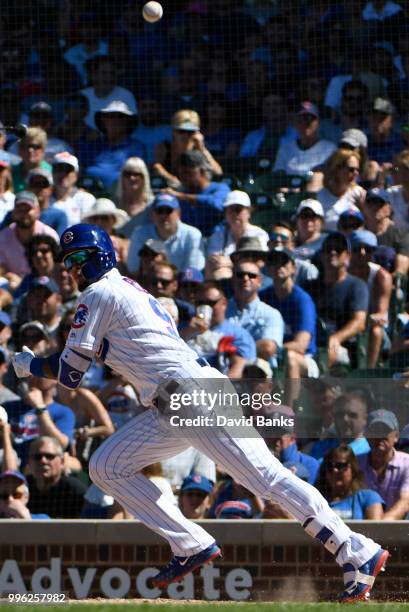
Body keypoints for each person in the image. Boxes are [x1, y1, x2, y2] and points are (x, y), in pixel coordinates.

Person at [11, 222, 389, 601]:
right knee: (106, 466)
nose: (73, 268)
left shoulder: (99, 292)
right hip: (170, 403)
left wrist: (29, 364)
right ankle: (190, 544)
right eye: (68, 262)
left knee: (266, 478)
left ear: (102, 255)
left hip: (191, 394)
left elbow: (70, 374)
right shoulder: (121, 290)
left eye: (80, 258)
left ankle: (356, 550)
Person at [305, 232, 369, 369]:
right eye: (328, 249)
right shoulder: (309, 286)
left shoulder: (356, 286)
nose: (333, 252)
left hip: (343, 346)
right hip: (310, 343)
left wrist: (336, 338)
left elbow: (359, 322)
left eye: (338, 249)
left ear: (348, 256)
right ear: (321, 255)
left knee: (329, 351)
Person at [261, 247, 319, 380]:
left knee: (290, 358)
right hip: (271, 356)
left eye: (283, 262)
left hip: (305, 358)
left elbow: (301, 345)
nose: (278, 266)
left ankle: (290, 401)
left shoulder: (302, 300)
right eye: (273, 262)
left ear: (293, 268)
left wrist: (268, 349)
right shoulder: (263, 297)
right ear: (268, 269)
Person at [127, 193, 205, 274]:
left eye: (168, 211)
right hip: (149, 283)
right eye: (159, 211)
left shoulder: (192, 234)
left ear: (178, 213)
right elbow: (133, 268)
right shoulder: (140, 233)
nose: (163, 215)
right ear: (152, 214)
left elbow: (194, 270)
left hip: (183, 284)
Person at [348, 230, 392, 368]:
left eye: (367, 249)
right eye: (356, 249)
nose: (362, 253)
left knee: (376, 331)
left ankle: (368, 373)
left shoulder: (381, 276)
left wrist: (361, 320)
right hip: (345, 323)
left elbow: (381, 315)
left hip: (369, 326)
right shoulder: (342, 273)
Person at [226, 259, 284, 363]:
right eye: (240, 274)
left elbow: (268, 348)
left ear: (259, 281)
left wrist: (226, 349)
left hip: (254, 373)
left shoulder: (271, 314)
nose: (245, 278)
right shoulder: (219, 310)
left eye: (252, 275)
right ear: (232, 280)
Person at [162, 150, 230, 237]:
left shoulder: (220, 188)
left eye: (187, 173)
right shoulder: (181, 195)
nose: (183, 178)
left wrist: (183, 196)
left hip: (216, 242)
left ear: (201, 171)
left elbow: (217, 205)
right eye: (181, 174)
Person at [0, 191, 59, 287]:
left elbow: (57, 265)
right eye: (20, 209)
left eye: (28, 209)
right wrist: (10, 276)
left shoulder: (49, 234)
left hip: (46, 285)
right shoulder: (3, 237)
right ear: (13, 212)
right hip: (14, 287)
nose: (23, 214)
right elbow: (1, 269)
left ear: (37, 211)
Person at [359, 409, 409, 520]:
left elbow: (405, 501)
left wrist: (379, 527)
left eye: (385, 431)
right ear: (366, 435)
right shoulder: (356, 463)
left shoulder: (407, 463)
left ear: (396, 436)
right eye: (375, 431)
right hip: (361, 531)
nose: (379, 436)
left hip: (399, 532)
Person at [154, 109, 222, 188]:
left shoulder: (199, 148)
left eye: (190, 132)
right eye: (181, 131)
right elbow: (157, 168)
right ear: (173, 131)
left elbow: (218, 173)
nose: (186, 136)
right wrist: (170, 178)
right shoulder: (163, 147)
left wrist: (202, 148)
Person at [315, 446, 384, 520]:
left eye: (340, 466)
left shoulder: (369, 498)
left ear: (353, 468)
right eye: (329, 467)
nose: (335, 470)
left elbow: (376, 529)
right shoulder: (316, 500)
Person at [26, 436, 86, 518]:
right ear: (29, 462)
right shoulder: (21, 488)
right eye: (37, 457)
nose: (43, 460)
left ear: (62, 462)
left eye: (49, 456)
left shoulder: (75, 490)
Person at [273, 101, 336, 177]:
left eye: (311, 119)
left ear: (318, 123)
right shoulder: (285, 148)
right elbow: (278, 175)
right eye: (301, 119)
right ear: (294, 123)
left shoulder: (330, 148)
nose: (306, 122)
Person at [315, 149, 366, 231]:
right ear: (337, 169)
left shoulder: (359, 193)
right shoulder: (320, 196)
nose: (356, 173)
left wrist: (363, 208)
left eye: (357, 170)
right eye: (351, 169)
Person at [207, 190, 269, 257]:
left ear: (249, 212)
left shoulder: (259, 234)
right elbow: (214, 261)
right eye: (231, 210)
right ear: (225, 213)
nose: (234, 214)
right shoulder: (217, 237)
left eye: (238, 209)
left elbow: (260, 260)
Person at [363, 188, 409, 275]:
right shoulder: (358, 234)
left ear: (389, 208)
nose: (375, 207)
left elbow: (401, 270)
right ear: (364, 208)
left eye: (380, 203)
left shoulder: (401, 235)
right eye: (370, 203)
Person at [50, 152, 96, 226]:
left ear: (76, 175)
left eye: (67, 170)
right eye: (59, 169)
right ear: (52, 173)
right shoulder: (44, 198)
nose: (62, 174)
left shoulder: (86, 199)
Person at [115, 157, 154, 239]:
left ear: (144, 178)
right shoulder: (114, 204)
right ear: (122, 178)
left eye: (136, 174)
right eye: (128, 174)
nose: (132, 178)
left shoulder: (152, 205)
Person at [12, 127, 52, 193]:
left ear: (43, 150)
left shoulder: (52, 173)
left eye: (35, 146)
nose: (30, 150)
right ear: (19, 149)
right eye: (25, 146)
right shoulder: (11, 172)